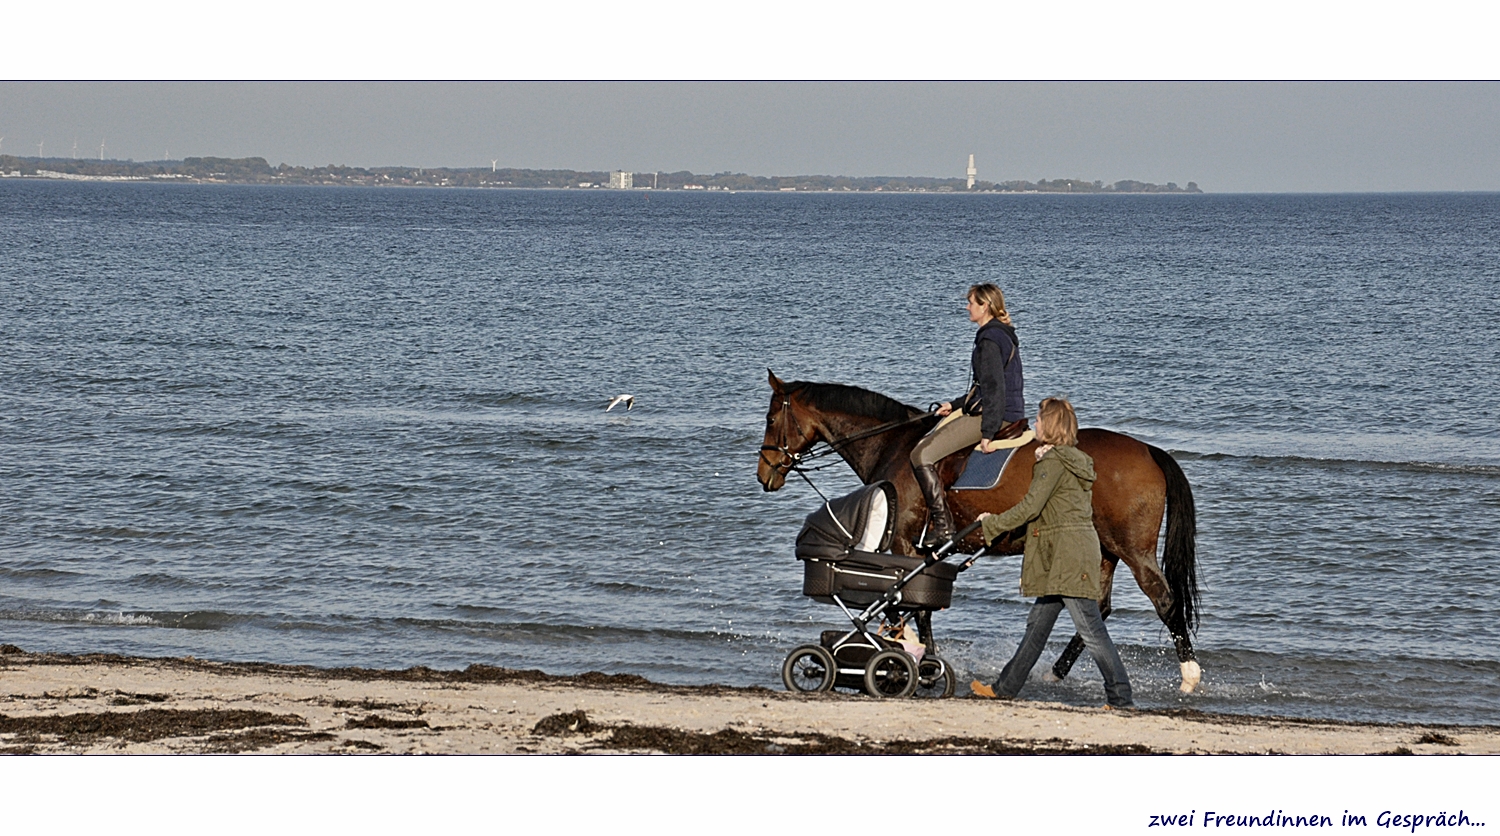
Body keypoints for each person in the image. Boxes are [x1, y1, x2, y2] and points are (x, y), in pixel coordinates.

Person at [969, 397, 1135, 709]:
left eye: (1039, 420)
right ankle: (1004, 689)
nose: (1034, 425)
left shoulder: (1053, 463)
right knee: (1037, 627)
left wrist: (992, 524)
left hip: (1067, 558)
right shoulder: (1068, 459)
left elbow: (1030, 507)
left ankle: (1121, 698)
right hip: (1066, 553)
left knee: (1092, 631)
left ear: (1052, 426)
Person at [909, 283, 1026, 548]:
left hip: (997, 415)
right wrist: (957, 404)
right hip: (1005, 410)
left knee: (920, 455)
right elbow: (987, 388)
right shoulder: (1003, 334)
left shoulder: (989, 340)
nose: (967, 307)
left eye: (971, 302)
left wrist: (988, 433)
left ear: (984, 306)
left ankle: (943, 528)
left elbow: (995, 390)